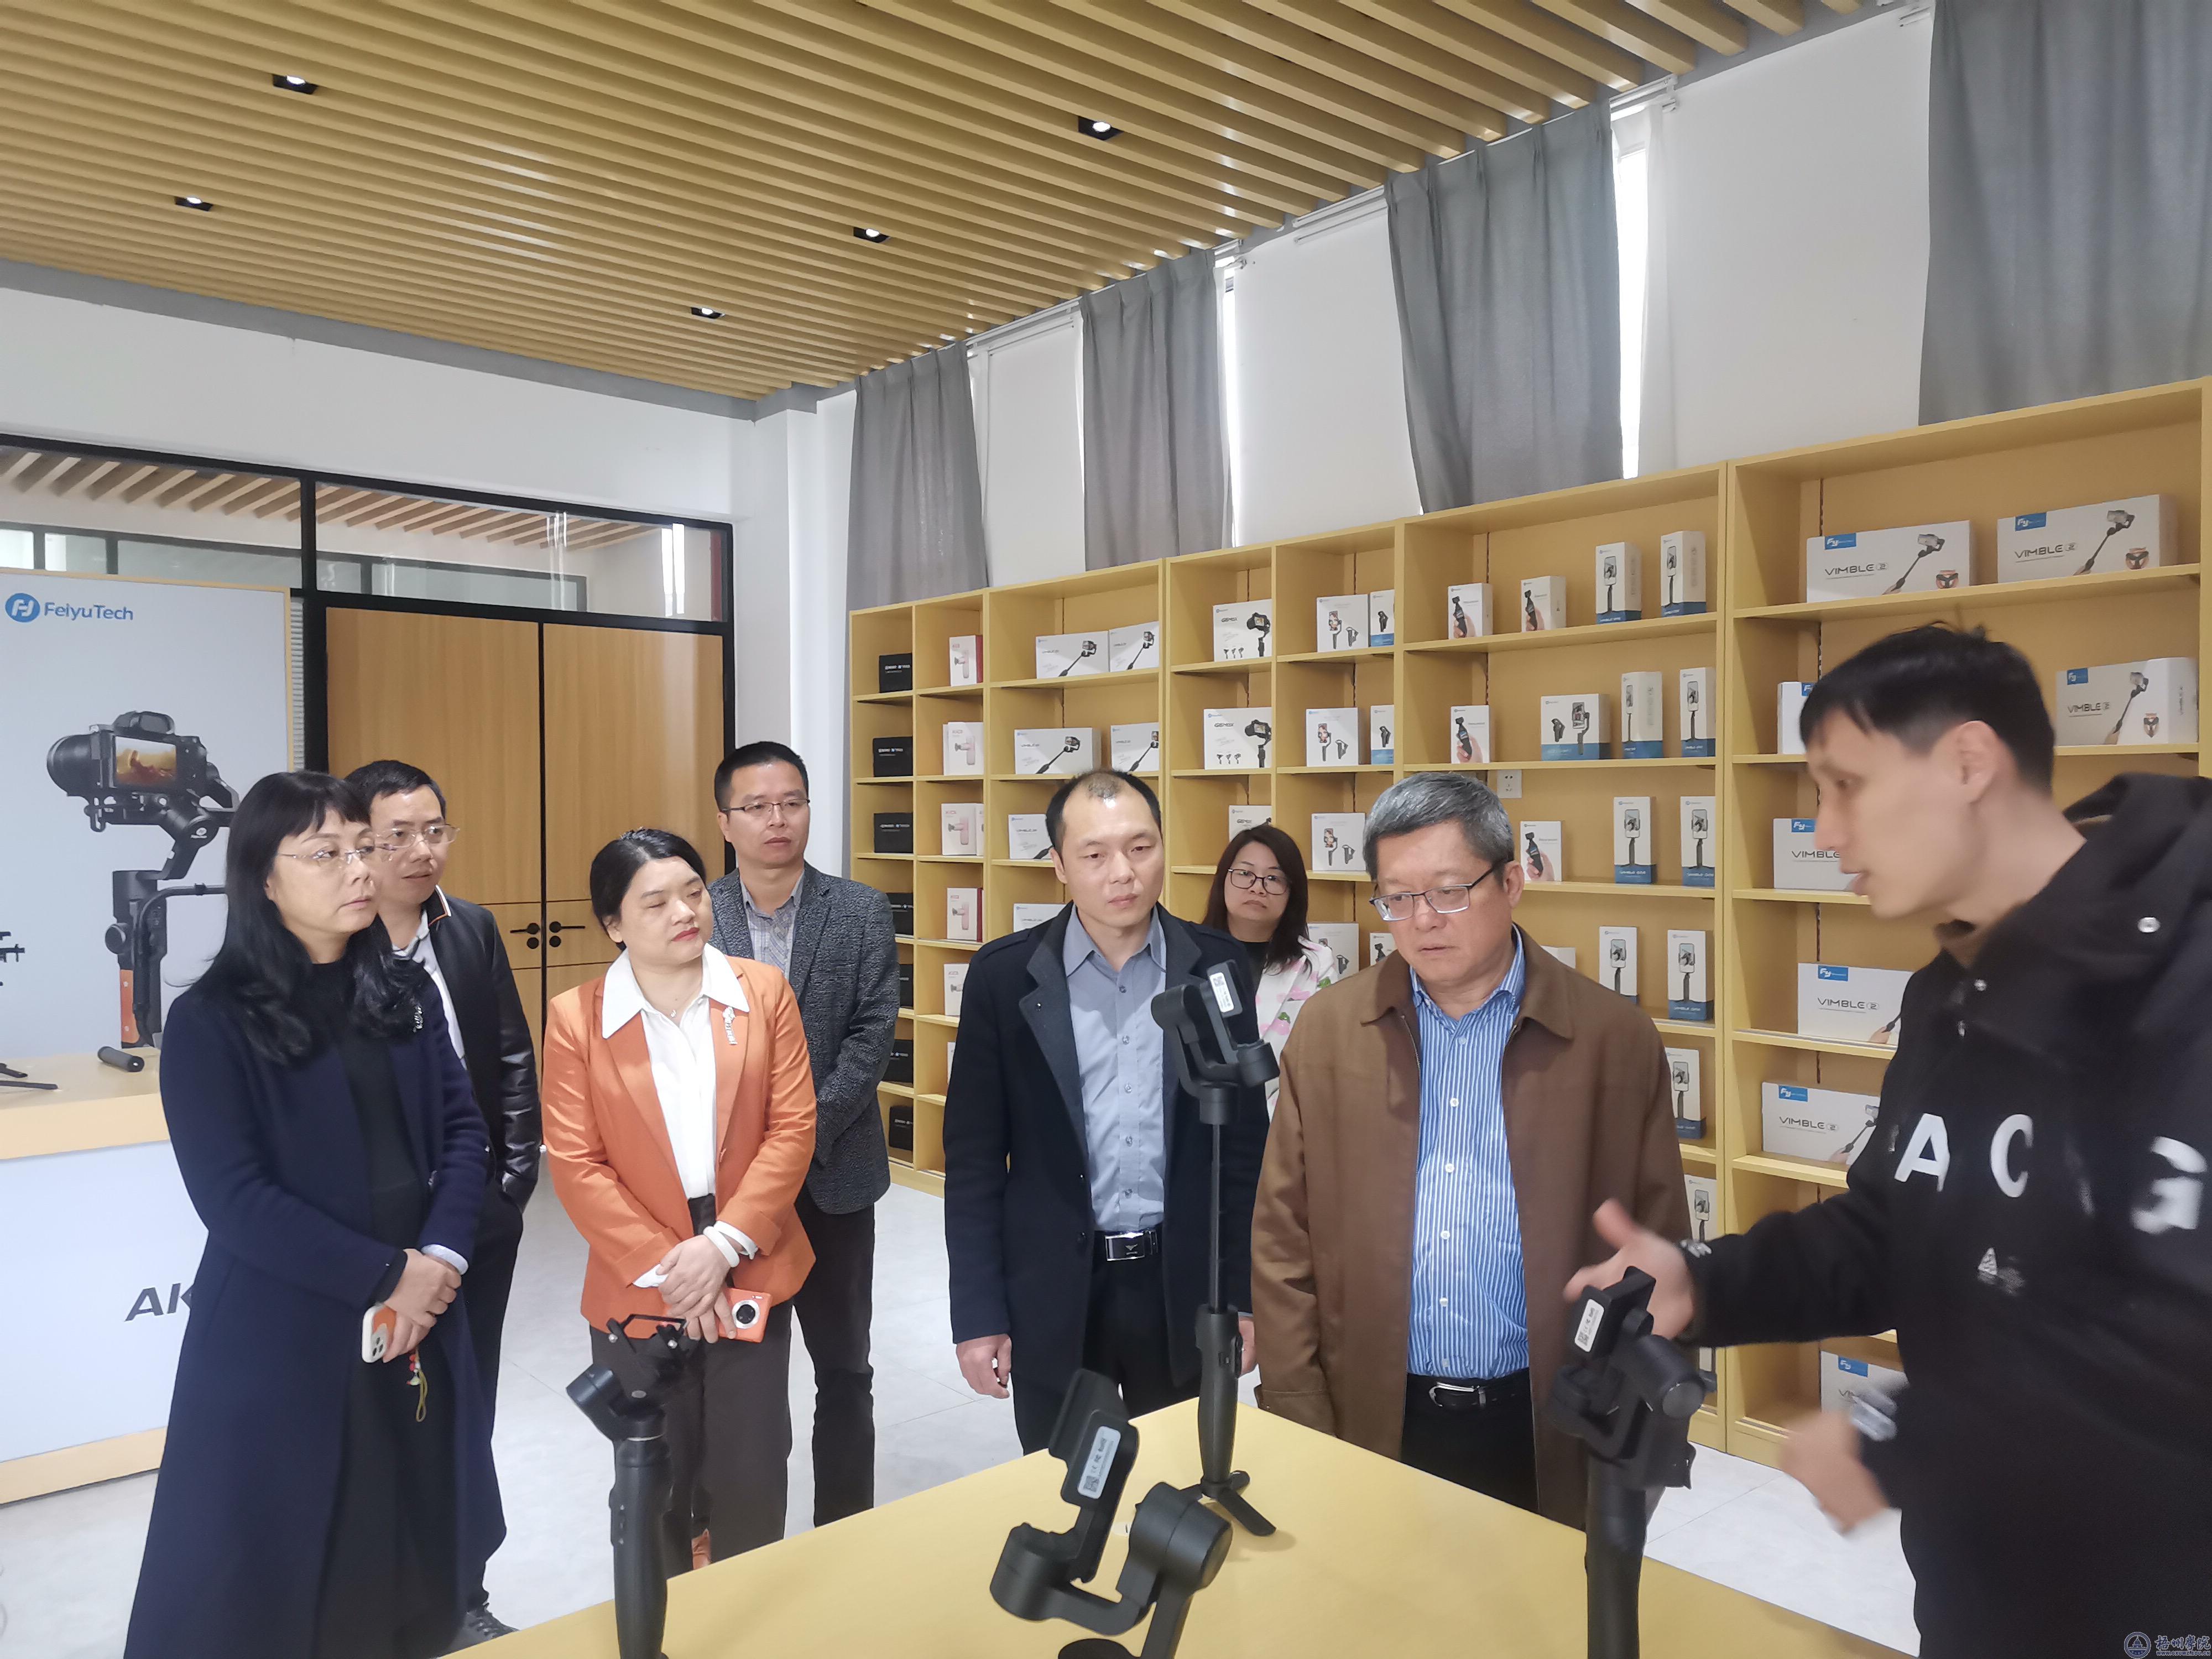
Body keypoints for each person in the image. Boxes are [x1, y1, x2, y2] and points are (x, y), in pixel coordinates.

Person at [1566, 626, 2212, 1654]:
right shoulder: (1950, 994)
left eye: (1846, 786)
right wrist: (1706, 1282)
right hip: (1979, 1585)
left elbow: (2175, 1345)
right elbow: (1890, 1230)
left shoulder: (2189, 979)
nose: (1823, 832)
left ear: (1968, 762)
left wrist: (1899, 1439)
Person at [126, 772, 501, 1659]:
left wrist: (440, 1259)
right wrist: (389, 1275)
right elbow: (234, 1198)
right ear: (263, 877)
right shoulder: (212, 1021)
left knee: (414, 1518)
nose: (360, 870)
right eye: (326, 854)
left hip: (418, 1312)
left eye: (363, 849)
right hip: (285, 1328)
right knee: (280, 1556)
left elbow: (463, 1131)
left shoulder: (403, 994)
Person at [1250, 771, 1687, 1522]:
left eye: (1450, 891)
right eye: (1398, 898)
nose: (1424, 919)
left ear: (1510, 883)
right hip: (1372, 1412)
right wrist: (1297, 1404)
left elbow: (1659, 1247)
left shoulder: (1612, 1038)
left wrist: (1639, 1422)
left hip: (1548, 1417)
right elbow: (1281, 1239)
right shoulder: (1328, 1032)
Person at [944, 769, 1270, 1451]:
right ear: (1060, 865)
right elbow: (974, 1161)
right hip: (1054, 1287)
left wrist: (1243, 1295)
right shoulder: (1003, 978)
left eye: (1141, 848)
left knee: (1180, 1476)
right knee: (1069, 1483)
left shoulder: (1217, 965)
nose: (1122, 872)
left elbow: (1243, 1151)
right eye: (1094, 854)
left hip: (1182, 1284)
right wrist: (978, 1315)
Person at [542, 829, 816, 1564]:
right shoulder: (575, 1019)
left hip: (748, 1252)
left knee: (753, 1468)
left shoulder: (763, 992)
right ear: (613, 924)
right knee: (655, 1474)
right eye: (655, 902)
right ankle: (663, 1614)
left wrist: (721, 1246)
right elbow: (577, 1164)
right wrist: (678, 1271)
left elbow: (792, 1128)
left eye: (694, 892)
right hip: (640, 1274)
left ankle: (748, 1610)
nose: (684, 913)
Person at [347, 759, 539, 1645]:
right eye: (399, 836)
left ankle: (464, 1593)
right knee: (386, 1415)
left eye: (436, 830)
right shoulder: (336, 948)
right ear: (359, 844)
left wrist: (511, 1189)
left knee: (468, 1407)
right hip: (384, 1238)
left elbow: (511, 1058)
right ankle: (387, 1597)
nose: (424, 851)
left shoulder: (471, 930)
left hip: (478, 1219)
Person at [705, 740, 898, 1525]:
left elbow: (873, 1034)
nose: (776, 819)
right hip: (731, 1190)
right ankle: (746, 1533)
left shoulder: (860, 910)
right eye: (756, 806)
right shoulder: (697, 915)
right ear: (726, 822)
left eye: (791, 802)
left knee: (845, 1368)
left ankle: (845, 1528)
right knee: (744, 1373)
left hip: (835, 1176)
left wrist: (795, 1140)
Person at [1200, 823, 1335, 1113]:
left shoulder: (1316, 964)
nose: (1257, 888)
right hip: (1200, 1116)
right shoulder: (1189, 953)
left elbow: (1325, 1061)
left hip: (1282, 1123)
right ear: (1223, 879)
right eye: (1245, 874)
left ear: (1292, 893)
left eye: (1273, 878)